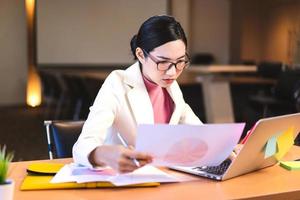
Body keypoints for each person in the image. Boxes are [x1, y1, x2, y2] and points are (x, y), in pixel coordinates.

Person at [72, 15, 202, 173]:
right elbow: (83, 145)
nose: (172, 72)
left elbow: (196, 128)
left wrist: (221, 149)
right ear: (141, 55)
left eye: (180, 61)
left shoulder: (170, 86)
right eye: (163, 62)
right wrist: (103, 154)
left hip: (161, 176)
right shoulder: (118, 83)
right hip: (126, 179)